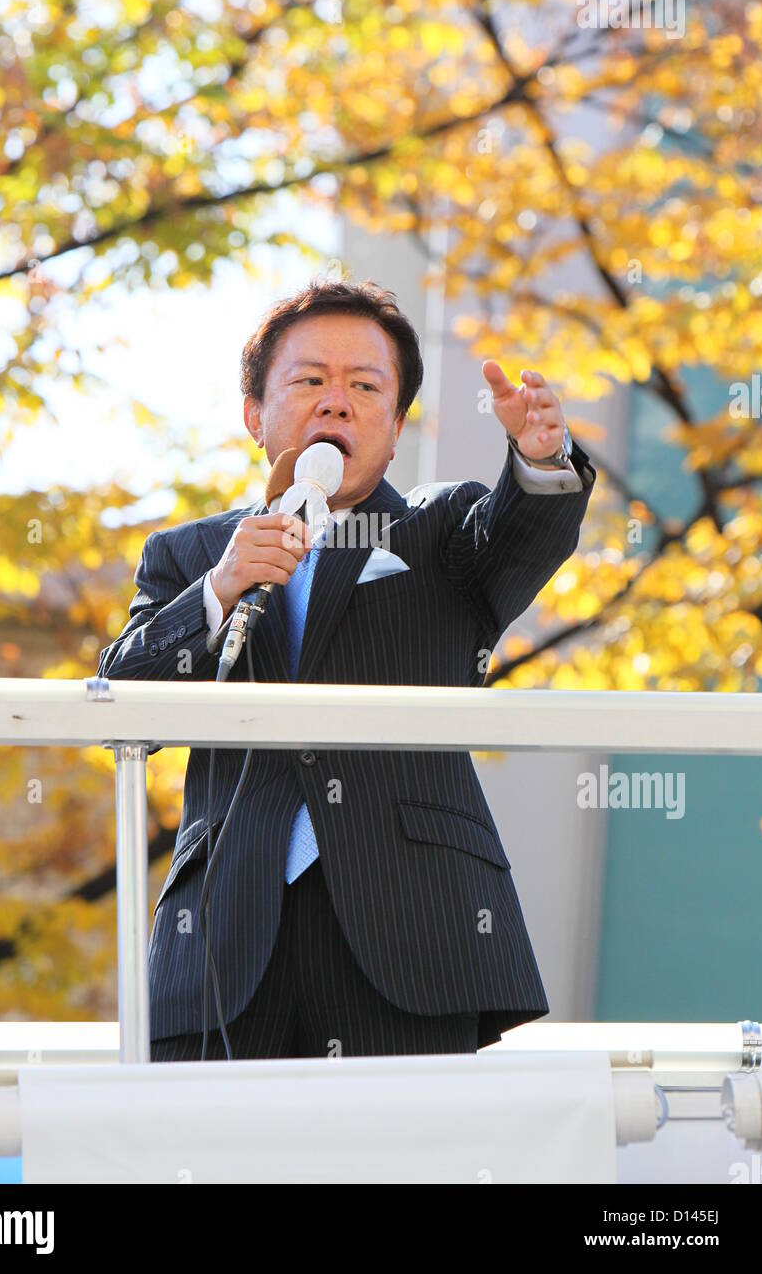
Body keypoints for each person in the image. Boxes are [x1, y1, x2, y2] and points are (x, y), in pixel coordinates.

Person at [96, 278, 596, 1060]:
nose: (337, 403)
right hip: (226, 935)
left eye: (366, 386)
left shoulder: (440, 533)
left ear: (395, 429)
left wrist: (538, 461)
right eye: (309, 381)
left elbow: (521, 531)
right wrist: (222, 589)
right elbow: (117, 702)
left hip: (411, 930)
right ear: (255, 415)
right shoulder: (189, 555)